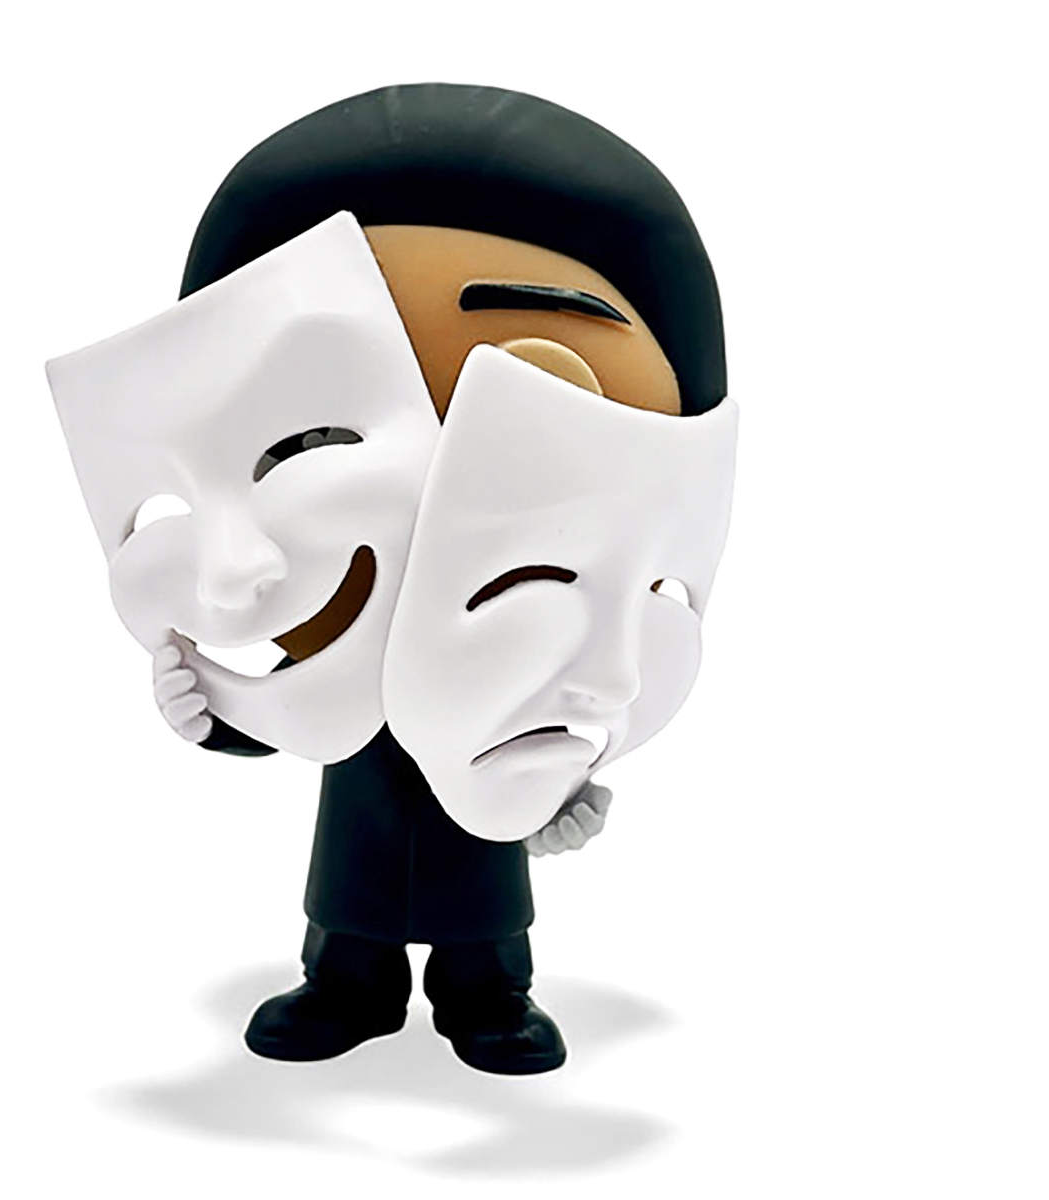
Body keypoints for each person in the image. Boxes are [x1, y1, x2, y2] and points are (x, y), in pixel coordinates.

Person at [150, 83, 726, 1075]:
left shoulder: (553, 619)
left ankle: (487, 991)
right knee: (352, 894)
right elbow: (291, 710)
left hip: (488, 763)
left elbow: (574, 716)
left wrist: (555, 791)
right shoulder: (330, 607)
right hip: (361, 785)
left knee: (481, 902)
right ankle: (348, 982)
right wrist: (214, 711)